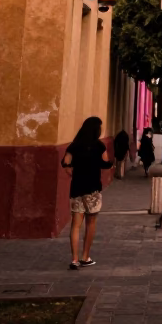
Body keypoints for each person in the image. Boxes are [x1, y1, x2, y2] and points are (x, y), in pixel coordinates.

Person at [61, 116, 112, 270]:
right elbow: (106, 164)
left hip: (76, 188)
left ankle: (74, 259)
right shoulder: (99, 146)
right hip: (93, 189)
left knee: (75, 225)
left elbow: (66, 163)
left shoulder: (73, 146)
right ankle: (85, 257)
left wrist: (74, 174)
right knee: (91, 223)